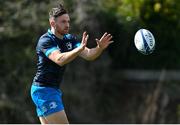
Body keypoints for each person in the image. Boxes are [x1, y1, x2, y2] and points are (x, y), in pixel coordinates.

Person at [30, 4, 113, 124]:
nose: (67, 25)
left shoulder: (69, 39)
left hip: (51, 90)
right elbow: (59, 59)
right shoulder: (46, 40)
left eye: (68, 21)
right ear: (52, 23)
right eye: (63, 22)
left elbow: (89, 55)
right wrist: (79, 49)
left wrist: (99, 48)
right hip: (44, 91)